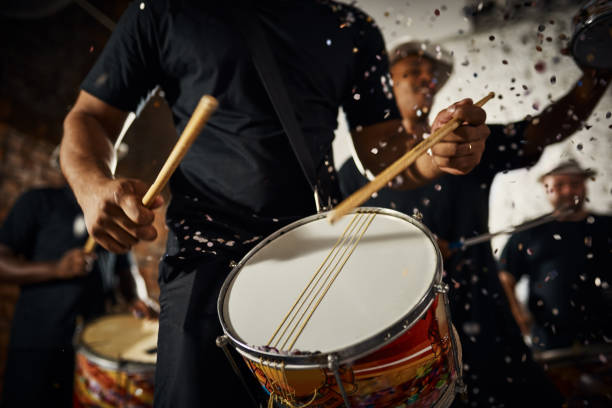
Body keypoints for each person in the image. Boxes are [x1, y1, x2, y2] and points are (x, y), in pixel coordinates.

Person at [59, 1, 491, 406]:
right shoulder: (164, 9)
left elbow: (383, 151)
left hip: (321, 260)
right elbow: (90, 117)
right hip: (205, 257)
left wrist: (435, 153)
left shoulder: (354, 29)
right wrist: (92, 186)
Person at [338, 40, 610, 407]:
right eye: (413, 69)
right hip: (406, 347)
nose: (426, 77)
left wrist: (599, 70)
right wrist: (409, 255)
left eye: (431, 72)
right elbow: (343, 264)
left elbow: (545, 129)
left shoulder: (464, 139)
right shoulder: (354, 175)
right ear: (385, 84)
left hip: (489, 332)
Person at [0, 177, 158, 407]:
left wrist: (138, 297)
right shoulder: (38, 201)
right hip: (36, 344)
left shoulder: (110, 216)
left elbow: (128, 271)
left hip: (93, 351)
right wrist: (56, 269)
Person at [498, 159, 612, 351]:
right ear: (546, 188)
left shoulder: (607, 226)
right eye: (559, 185)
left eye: (574, 184)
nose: (568, 191)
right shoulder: (529, 232)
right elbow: (504, 277)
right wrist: (517, 315)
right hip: (549, 341)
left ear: (585, 185)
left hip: (605, 339)